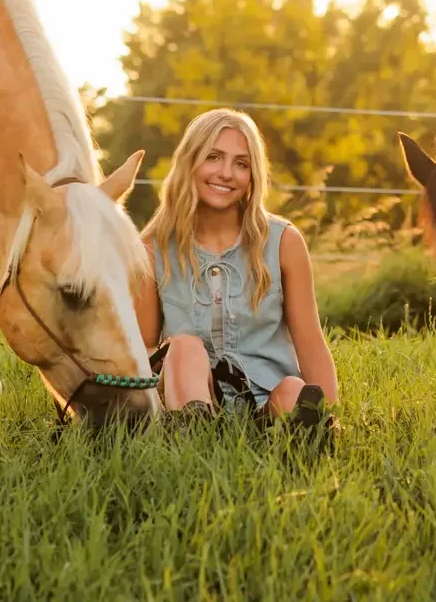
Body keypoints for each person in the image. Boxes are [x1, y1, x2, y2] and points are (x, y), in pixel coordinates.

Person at [134, 108, 337, 436]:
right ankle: (193, 434)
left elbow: (311, 343)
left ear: (253, 175)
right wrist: (179, 358)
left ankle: (300, 433)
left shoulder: (283, 241)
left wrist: (332, 415)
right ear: (190, 162)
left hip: (267, 400)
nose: (226, 173)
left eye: (241, 163)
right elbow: (142, 349)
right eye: (213, 157)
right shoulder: (151, 248)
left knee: (294, 390)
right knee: (183, 345)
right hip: (192, 398)